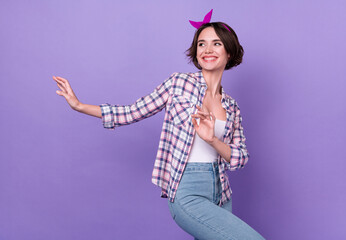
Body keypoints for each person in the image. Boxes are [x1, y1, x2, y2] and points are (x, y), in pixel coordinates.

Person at [53, 9, 265, 240]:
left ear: (229, 51)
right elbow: (132, 112)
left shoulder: (231, 106)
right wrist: (79, 106)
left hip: (221, 193)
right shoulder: (178, 84)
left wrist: (212, 139)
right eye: (201, 44)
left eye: (216, 44)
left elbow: (240, 157)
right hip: (188, 190)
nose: (207, 50)